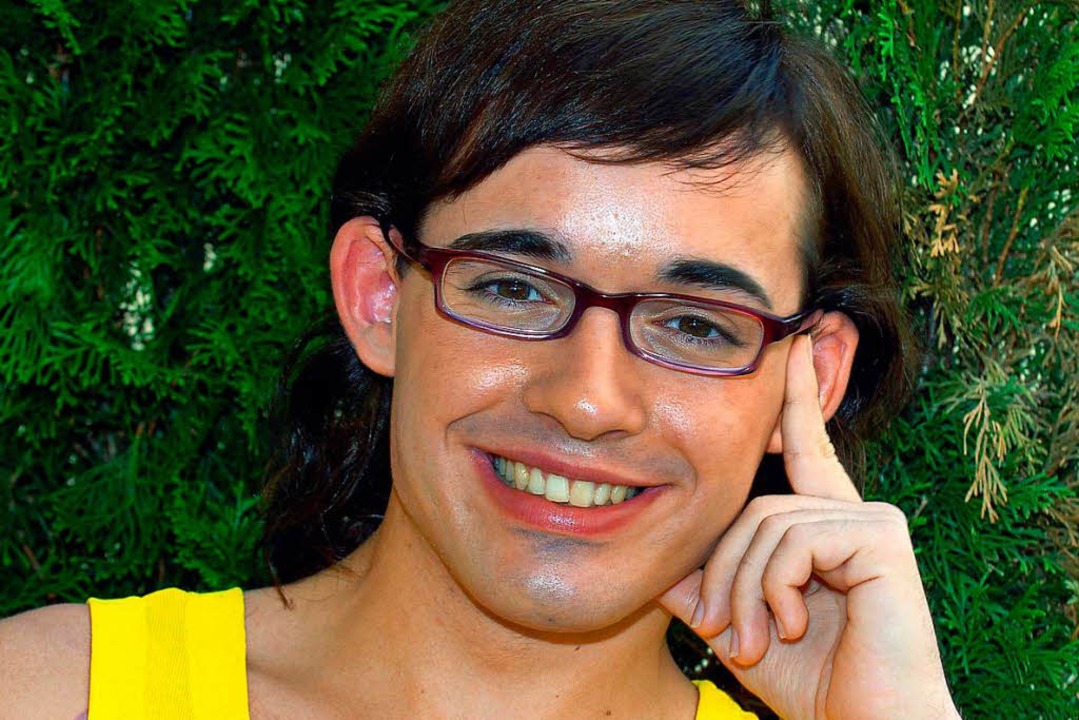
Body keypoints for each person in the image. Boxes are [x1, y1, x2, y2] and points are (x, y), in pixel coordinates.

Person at [0, 1, 962, 718]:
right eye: (513, 288)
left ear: (809, 376)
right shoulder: (47, 695)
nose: (588, 402)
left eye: (697, 325)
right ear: (379, 297)